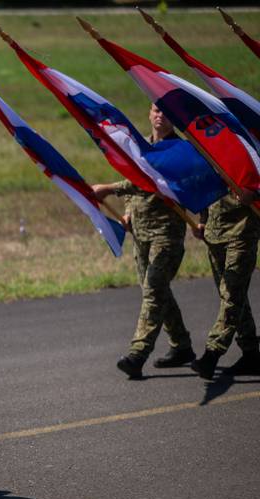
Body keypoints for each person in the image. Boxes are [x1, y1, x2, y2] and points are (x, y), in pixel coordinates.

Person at [91, 104, 194, 380]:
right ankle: (182, 345)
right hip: (140, 232)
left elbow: (149, 180)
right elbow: (134, 181)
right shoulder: (140, 146)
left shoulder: (178, 150)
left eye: (166, 112)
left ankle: (137, 354)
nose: (160, 116)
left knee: (154, 290)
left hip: (166, 233)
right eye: (156, 111)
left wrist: (109, 189)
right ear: (149, 114)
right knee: (156, 291)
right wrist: (127, 212)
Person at [191, 187, 260, 379]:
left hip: (242, 231)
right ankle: (251, 353)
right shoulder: (215, 162)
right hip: (215, 234)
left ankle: (212, 354)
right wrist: (203, 220)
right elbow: (208, 182)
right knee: (234, 296)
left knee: (232, 297)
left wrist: (255, 194)